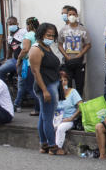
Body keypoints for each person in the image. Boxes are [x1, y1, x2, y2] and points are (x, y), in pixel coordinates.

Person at [28, 22, 62, 153]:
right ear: (41, 34)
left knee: (43, 116)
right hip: (46, 86)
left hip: (52, 84)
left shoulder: (46, 47)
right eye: (48, 35)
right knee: (48, 117)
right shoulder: (36, 49)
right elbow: (35, 72)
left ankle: (44, 144)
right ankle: (53, 146)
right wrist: (45, 90)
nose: (50, 38)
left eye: (53, 36)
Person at [57, 6, 90, 95]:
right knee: (68, 85)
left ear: (77, 15)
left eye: (73, 14)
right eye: (69, 14)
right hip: (67, 62)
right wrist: (66, 56)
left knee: (80, 85)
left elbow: (88, 44)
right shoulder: (63, 30)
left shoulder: (83, 29)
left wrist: (80, 54)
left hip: (80, 62)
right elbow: (59, 44)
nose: (72, 16)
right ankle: (69, 106)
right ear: (67, 16)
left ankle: (79, 106)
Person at [49, 70, 82, 155]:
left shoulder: (73, 92)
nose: (63, 82)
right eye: (61, 81)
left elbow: (81, 106)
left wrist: (72, 117)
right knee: (49, 126)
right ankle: (48, 146)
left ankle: (57, 148)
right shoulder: (54, 93)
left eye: (65, 80)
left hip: (69, 119)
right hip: (57, 118)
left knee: (61, 128)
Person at [14, 17, 39, 115]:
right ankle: (38, 107)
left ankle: (38, 108)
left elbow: (25, 50)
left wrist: (19, 59)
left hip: (28, 64)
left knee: (31, 88)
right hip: (37, 63)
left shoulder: (29, 35)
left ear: (29, 25)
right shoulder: (38, 35)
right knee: (35, 87)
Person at [0, 15, 25, 85]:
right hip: (15, 60)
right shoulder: (9, 37)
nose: (11, 26)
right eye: (9, 24)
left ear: (17, 24)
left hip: (23, 60)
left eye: (13, 24)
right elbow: (9, 49)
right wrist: (6, 59)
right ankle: (2, 87)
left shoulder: (23, 32)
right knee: (0, 70)